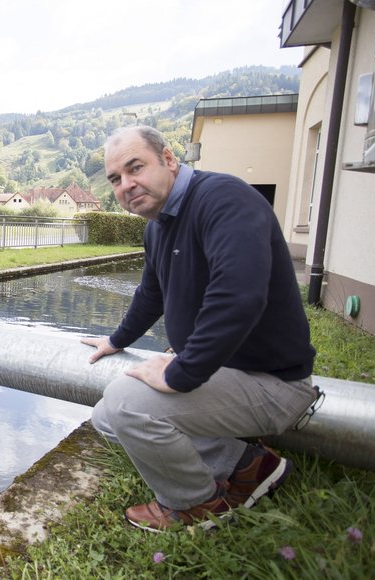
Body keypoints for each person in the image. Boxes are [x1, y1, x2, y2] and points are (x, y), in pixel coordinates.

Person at [81, 126, 317, 532]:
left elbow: (238, 295)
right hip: (228, 373)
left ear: (169, 160)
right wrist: (116, 340)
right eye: (115, 179)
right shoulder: (159, 226)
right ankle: (248, 464)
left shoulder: (224, 199)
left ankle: (197, 504)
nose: (126, 185)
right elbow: (150, 296)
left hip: (270, 383)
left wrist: (181, 371)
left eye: (135, 168)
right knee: (106, 416)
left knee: (125, 403)